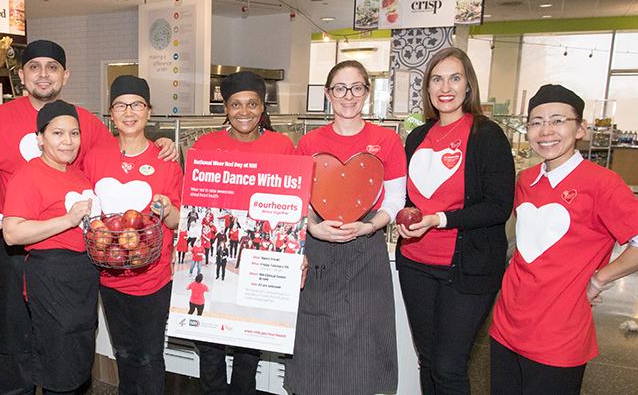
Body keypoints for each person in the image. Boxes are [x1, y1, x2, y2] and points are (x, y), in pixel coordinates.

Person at [0, 40, 177, 395]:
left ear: (65, 75)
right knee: (15, 339)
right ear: (21, 75)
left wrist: (162, 143)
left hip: (70, 256)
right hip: (16, 248)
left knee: (68, 342)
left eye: (52, 67)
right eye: (34, 66)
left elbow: (124, 143)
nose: (43, 74)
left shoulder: (84, 120)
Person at [489, 85, 638, 394]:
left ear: (580, 128)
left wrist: (601, 278)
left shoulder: (601, 183)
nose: (545, 131)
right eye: (536, 122)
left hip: (559, 332)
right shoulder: (526, 180)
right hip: (507, 323)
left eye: (558, 120)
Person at [395, 48, 516, 395]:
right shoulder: (418, 137)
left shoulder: (486, 135)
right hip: (416, 265)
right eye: (436, 79)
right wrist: (406, 219)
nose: (445, 87)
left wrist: (439, 219)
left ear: (468, 86)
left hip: (467, 269)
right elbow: (408, 198)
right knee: (428, 360)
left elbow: (498, 206)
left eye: (454, 77)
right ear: (428, 89)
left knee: (449, 367)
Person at [284, 60, 407, 395]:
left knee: (362, 343)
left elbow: (396, 200)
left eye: (356, 88)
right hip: (319, 250)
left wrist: (369, 227)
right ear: (328, 94)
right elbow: (299, 199)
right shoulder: (309, 143)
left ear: (367, 92)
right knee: (313, 336)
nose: (348, 96)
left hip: (366, 252)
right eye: (340, 88)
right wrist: (314, 228)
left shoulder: (388, 141)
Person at [189, 70, 295, 395]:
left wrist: (294, 254)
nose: (244, 112)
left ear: (263, 108)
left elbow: (294, 204)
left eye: (252, 104)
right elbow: (194, 199)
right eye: (236, 104)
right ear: (226, 108)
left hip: (261, 261)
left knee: (250, 347)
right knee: (209, 344)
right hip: (213, 256)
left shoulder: (282, 146)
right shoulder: (206, 145)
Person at [83, 75, 183, 395]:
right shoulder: (95, 156)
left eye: (137, 104)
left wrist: (167, 208)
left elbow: (179, 220)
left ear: (149, 112)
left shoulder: (166, 160)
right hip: (109, 276)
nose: (129, 112)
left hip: (153, 278)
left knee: (150, 355)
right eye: (121, 105)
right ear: (111, 114)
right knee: (123, 353)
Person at [1, 100, 100, 395]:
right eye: (57, 133)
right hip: (51, 277)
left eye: (74, 133)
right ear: (40, 139)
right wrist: (68, 220)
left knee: (79, 354)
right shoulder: (28, 175)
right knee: (58, 362)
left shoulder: (78, 175)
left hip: (83, 275)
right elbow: (12, 233)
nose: (67, 141)